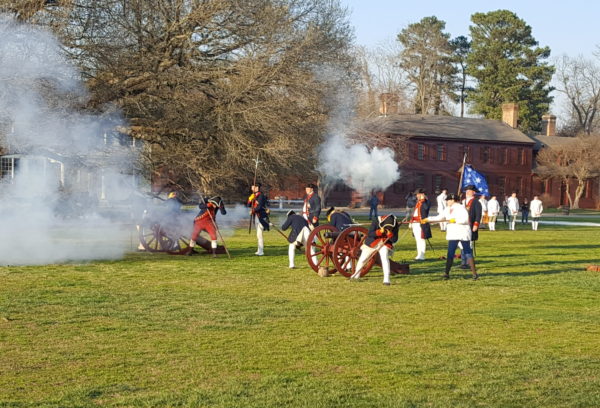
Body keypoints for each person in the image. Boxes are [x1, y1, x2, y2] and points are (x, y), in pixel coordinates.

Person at [423, 193, 478, 280]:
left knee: (467, 252)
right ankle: (446, 273)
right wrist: (428, 219)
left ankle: (474, 274)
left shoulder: (461, 208)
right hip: (453, 233)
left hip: (463, 232)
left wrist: (455, 220)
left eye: (448, 200)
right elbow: (440, 217)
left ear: (453, 200)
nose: (447, 202)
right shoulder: (447, 209)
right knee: (450, 253)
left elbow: (465, 219)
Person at [350, 214, 400, 285]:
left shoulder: (395, 224)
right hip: (372, 242)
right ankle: (356, 275)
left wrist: (390, 235)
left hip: (384, 243)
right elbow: (370, 233)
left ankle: (386, 279)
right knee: (363, 259)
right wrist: (379, 232)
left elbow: (395, 239)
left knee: (384, 258)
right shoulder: (376, 220)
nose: (388, 228)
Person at [460, 185, 482, 269]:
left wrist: (476, 225)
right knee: (462, 244)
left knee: (469, 244)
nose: (467, 192)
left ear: (474, 192)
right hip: (462, 226)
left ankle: (469, 262)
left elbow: (478, 215)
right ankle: (463, 262)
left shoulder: (476, 202)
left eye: (469, 191)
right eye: (467, 191)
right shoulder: (463, 202)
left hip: (471, 225)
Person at [247, 183, 270, 256]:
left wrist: (253, 211)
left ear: (257, 188)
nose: (251, 187)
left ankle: (261, 251)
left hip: (261, 217)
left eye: (253, 186)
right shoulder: (254, 196)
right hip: (256, 217)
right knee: (258, 235)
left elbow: (259, 207)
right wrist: (250, 199)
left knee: (259, 234)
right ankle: (259, 250)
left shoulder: (261, 196)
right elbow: (248, 205)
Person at [409, 188, 432, 261]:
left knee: (421, 239)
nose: (417, 196)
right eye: (416, 195)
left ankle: (422, 255)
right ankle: (419, 254)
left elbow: (425, 209)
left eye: (418, 194)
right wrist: (411, 222)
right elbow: (414, 212)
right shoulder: (418, 202)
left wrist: (423, 200)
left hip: (421, 223)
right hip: (415, 223)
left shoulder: (426, 202)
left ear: (422, 194)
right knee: (417, 239)